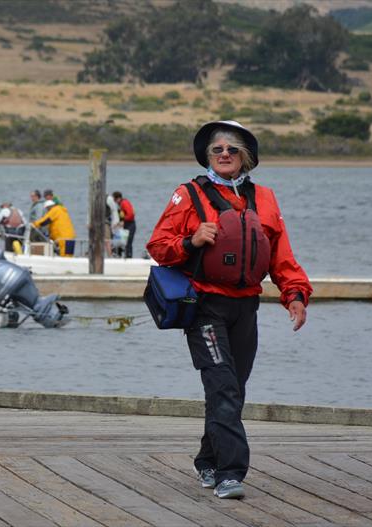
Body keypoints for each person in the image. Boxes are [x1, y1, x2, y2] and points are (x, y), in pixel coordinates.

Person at [146, 120, 312, 500]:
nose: (224, 154)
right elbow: (158, 245)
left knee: (232, 390)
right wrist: (191, 240)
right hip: (205, 307)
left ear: (245, 159)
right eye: (217, 149)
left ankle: (207, 459)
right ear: (208, 156)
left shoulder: (265, 198)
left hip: (245, 309)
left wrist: (296, 295)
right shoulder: (188, 195)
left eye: (232, 150)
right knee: (222, 386)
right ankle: (229, 473)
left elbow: (282, 256)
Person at [113, 191, 135, 258]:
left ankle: (129, 256)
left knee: (128, 242)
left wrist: (123, 220)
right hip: (127, 225)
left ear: (118, 198)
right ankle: (125, 255)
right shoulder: (121, 204)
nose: (115, 202)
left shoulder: (124, 203)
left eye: (115, 200)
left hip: (130, 225)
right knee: (124, 242)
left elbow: (131, 214)